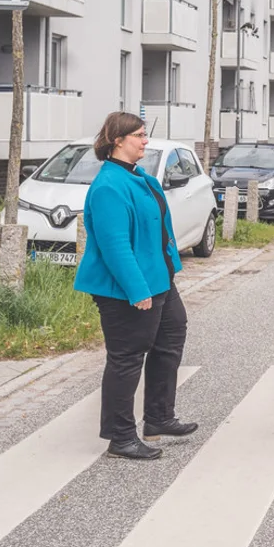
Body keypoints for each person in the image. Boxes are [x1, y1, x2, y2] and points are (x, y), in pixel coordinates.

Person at [74, 112, 196, 461]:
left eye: (145, 134)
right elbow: (114, 245)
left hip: (160, 280)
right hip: (127, 289)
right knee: (126, 359)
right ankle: (120, 437)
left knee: (169, 342)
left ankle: (158, 416)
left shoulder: (140, 177)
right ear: (117, 140)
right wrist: (137, 290)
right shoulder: (109, 186)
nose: (145, 141)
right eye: (139, 135)